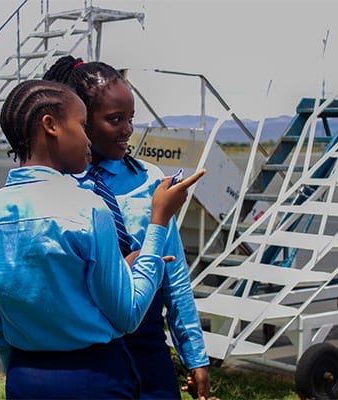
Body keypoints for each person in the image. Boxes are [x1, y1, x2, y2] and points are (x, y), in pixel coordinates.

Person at [0, 79, 205, 399]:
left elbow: (1, 324)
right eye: (81, 125)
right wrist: (158, 221)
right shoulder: (88, 208)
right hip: (94, 376)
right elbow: (128, 314)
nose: (87, 139)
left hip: (24, 377)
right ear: (50, 126)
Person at [44, 56, 211, 400]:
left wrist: (195, 356)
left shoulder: (150, 180)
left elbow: (174, 276)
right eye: (114, 119)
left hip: (148, 346)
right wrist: (118, 269)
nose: (127, 130)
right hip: (90, 350)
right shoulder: (59, 186)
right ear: (80, 121)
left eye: (130, 118)